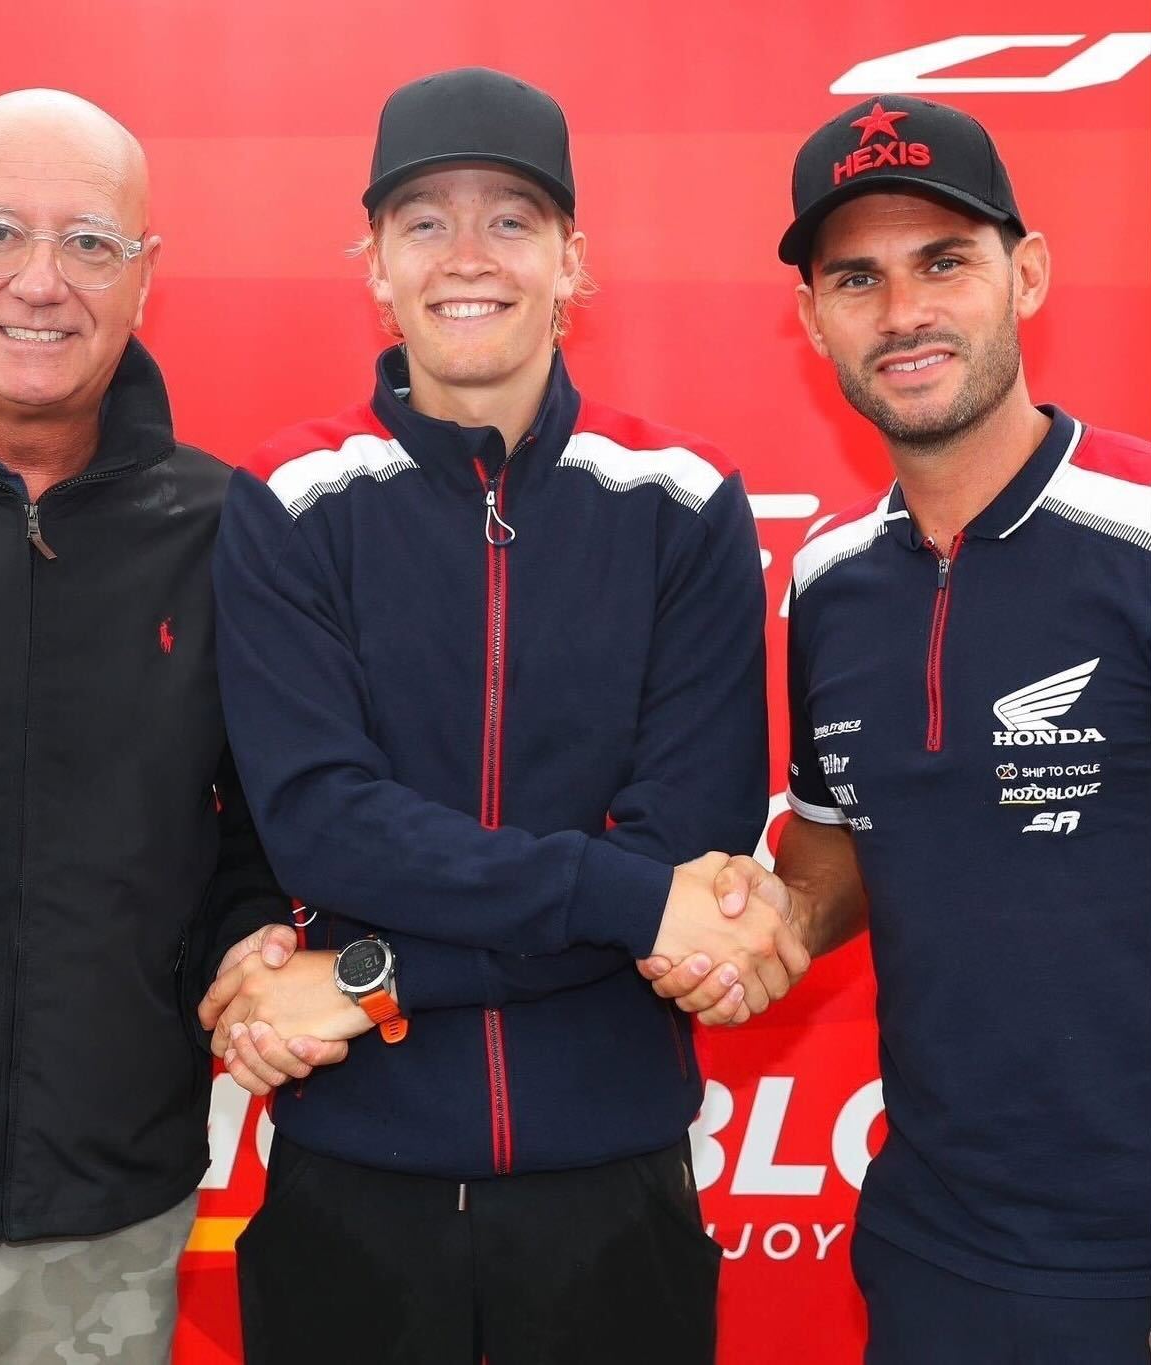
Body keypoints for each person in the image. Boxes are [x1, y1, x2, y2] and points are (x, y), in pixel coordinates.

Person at [200, 66, 808, 1365]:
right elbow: (325, 827)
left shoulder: (684, 502)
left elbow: (682, 855)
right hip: (350, 1186)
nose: (466, 255)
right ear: (373, 263)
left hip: (613, 1190)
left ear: (571, 260)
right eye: (424, 220)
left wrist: (365, 983)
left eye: (511, 219)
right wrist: (625, 900)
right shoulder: (285, 500)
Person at [650, 95, 1151, 1362]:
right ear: (811, 317)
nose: (901, 312)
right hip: (935, 1244)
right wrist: (752, 928)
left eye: (943, 262)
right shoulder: (827, 583)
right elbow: (837, 854)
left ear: (1024, 276)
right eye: (856, 278)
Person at [0, 89, 292, 1363]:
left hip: (104, 1229)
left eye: (89, 242)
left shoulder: (229, 532)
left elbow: (263, 840)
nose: (40, 282)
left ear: (145, 273)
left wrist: (252, 954)